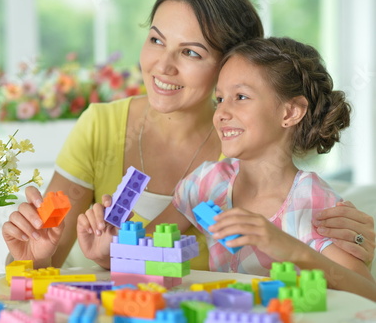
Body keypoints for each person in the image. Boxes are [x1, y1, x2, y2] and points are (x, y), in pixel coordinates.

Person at [2, 0, 375, 270]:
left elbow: (300, 214)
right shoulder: (99, 126)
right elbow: (45, 247)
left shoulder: (243, 147)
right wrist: (28, 256)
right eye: (156, 40)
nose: (162, 66)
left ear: (232, 64)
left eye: (191, 52)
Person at [80, 36, 376, 301]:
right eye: (219, 99)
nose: (221, 112)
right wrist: (109, 252)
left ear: (290, 112)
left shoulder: (312, 202)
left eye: (241, 97)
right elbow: (144, 257)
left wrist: (289, 248)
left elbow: (368, 294)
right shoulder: (207, 184)